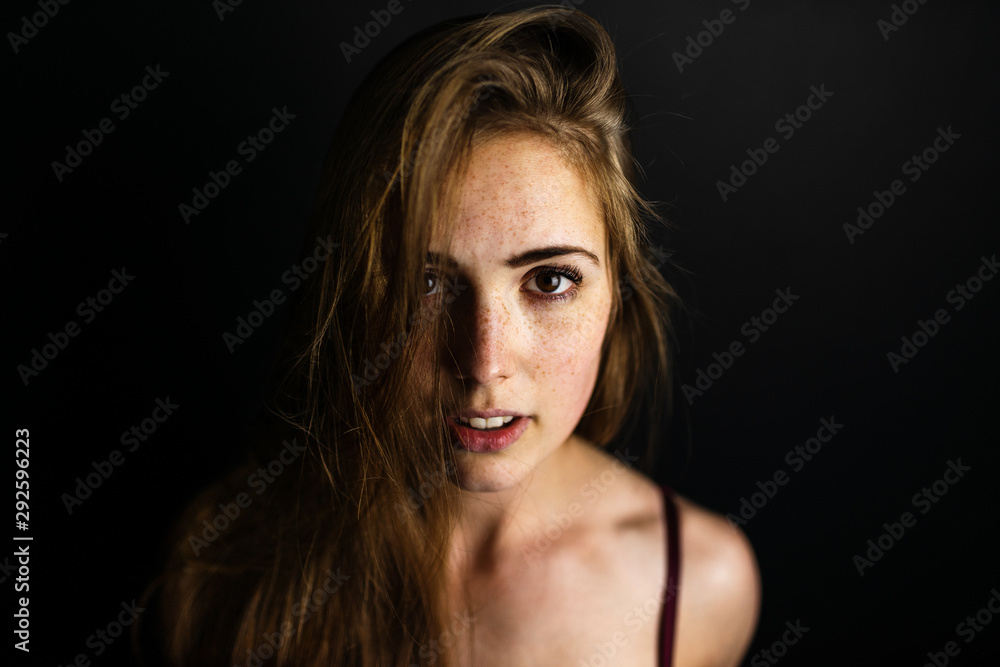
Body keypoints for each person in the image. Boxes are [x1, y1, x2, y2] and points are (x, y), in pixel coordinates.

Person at [154, 6, 760, 666]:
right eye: (427, 283)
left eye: (551, 280)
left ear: (620, 289)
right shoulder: (229, 568)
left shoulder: (697, 584)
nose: (484, 362)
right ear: (353, 291)